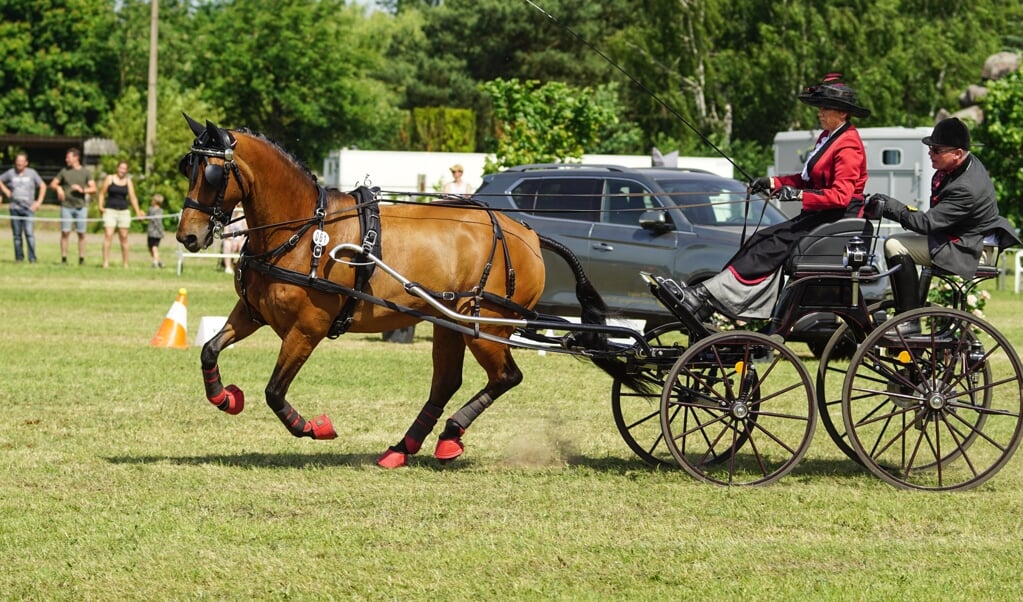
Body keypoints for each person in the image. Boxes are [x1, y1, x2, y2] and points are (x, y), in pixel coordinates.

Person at [674, 73, 870, 320]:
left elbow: (841, 196)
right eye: (818, 108)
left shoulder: (848, 144)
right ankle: (710, 297)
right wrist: (773, 182)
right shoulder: (828, 138)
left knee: (770, 243)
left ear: (842, 113)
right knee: (762, 237)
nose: (819, 113)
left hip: (837, 220)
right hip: (821, 216)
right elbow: (807, 178)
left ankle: (707, 295)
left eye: (825, 108)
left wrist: (798, 195)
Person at [869, 117, 1020, 333]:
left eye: (936, 149)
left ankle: (908, 320)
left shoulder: (966, 187)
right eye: (930, 147)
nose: (930, 153)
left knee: (894, 245)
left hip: (971, 250)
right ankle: (910, 312)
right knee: (897, 243)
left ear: (958, 153)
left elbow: (927, 223)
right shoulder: (960, 168)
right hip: (963, 240)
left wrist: (889, 206)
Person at [50, 147, 96, 265]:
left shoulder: (85, 172)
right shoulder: (64, 171)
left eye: (68, 157)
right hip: (66, 207)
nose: (66, 160)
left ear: (76, 158)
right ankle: (64, 259)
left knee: (81, 233)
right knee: (65, 232)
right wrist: (59, 188)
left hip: (80, 207)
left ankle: (81, 259)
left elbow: (93, 188)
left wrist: (82, 190)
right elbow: (53, 184)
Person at [0, 152, 47, 263]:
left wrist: (38, 202)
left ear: (26, 163)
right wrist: (6, 191)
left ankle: (32, 258)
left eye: (21, 161)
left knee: (29, 234)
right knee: (17, 235)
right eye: (17, 161)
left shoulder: (32, 173)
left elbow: (43, 186)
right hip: (14, 208)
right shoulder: (10, 173)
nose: (19, 163)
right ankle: (19, 258)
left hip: (28, 209)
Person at [97, 161, 145, 268]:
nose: (122, 170)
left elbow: (133, 198)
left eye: (125, 169)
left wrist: (138, 212)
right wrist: (100, 206)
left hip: (124, 211)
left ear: (126, 170)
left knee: (124, 237)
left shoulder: (128, 181)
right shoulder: (109, 178)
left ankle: (125, 263)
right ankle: (105, 263)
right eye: (121, 168)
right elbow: (102, 193)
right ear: (117, 168)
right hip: (110, 210)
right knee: (108, 235)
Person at [222, 204, 247, 274]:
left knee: (242, 244)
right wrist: (232, 241)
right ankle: (228, 267)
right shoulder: (229, 217)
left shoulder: (242, 216)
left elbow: (245, 231)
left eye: (238, 206)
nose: (236, 207)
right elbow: (226, 231)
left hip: (240, 239)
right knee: (227, 244)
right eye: (235, 206)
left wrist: (239, 240)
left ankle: (242, 266)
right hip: (231, 240)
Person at [146, 193, 166, 268]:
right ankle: (159, 261)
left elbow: (157, 222)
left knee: (154, 247)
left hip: (155, 233)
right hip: (152, 232)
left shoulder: (155, 210)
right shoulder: (155, 210)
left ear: (155, 201)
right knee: (151, 248)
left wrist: (161, 232)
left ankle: (155, 262)